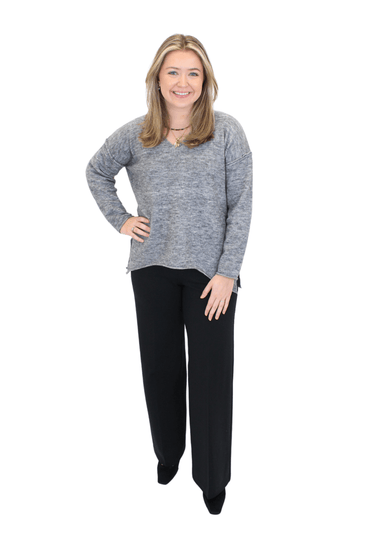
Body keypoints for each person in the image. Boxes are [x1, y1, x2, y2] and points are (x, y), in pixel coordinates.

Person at [86, 34, 253, 515]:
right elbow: (96, 171)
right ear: (157, 80)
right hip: (151, 268)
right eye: (173, 72)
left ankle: (212, 480)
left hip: (210, 278)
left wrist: (228, 273)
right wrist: (121, 220)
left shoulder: (227, 131)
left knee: (211, 376)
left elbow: (241, 205)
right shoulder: (137, 133)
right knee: (160, 369)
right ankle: (168, 454)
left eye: (193, 73)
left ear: (206, 81)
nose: (183, 82)